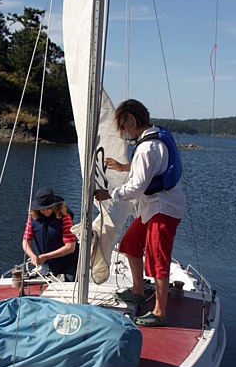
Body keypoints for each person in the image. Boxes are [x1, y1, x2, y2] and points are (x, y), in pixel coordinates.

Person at [94, 99, 185, 326]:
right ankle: (138, 291)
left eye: (124, 127)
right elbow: (150, 170)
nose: (124, 132)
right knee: (130, 244)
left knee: (157, 259)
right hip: (152, 208)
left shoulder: (147, 147)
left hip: (162, 209)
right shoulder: (154, 138)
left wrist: (109, 194)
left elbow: (136, 187)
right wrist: (124, 167)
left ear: (132, 120)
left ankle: (160, 312)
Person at [22, 187, 78, 282]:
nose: (45, 211)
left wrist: (45, 257)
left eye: (48, 208)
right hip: (47, 265)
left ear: (55, 206)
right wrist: (32, 256)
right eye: (42, 209)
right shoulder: (32, 218)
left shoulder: (65, 218)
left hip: (68, 265)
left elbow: (70, 247)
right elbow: (26, 241)